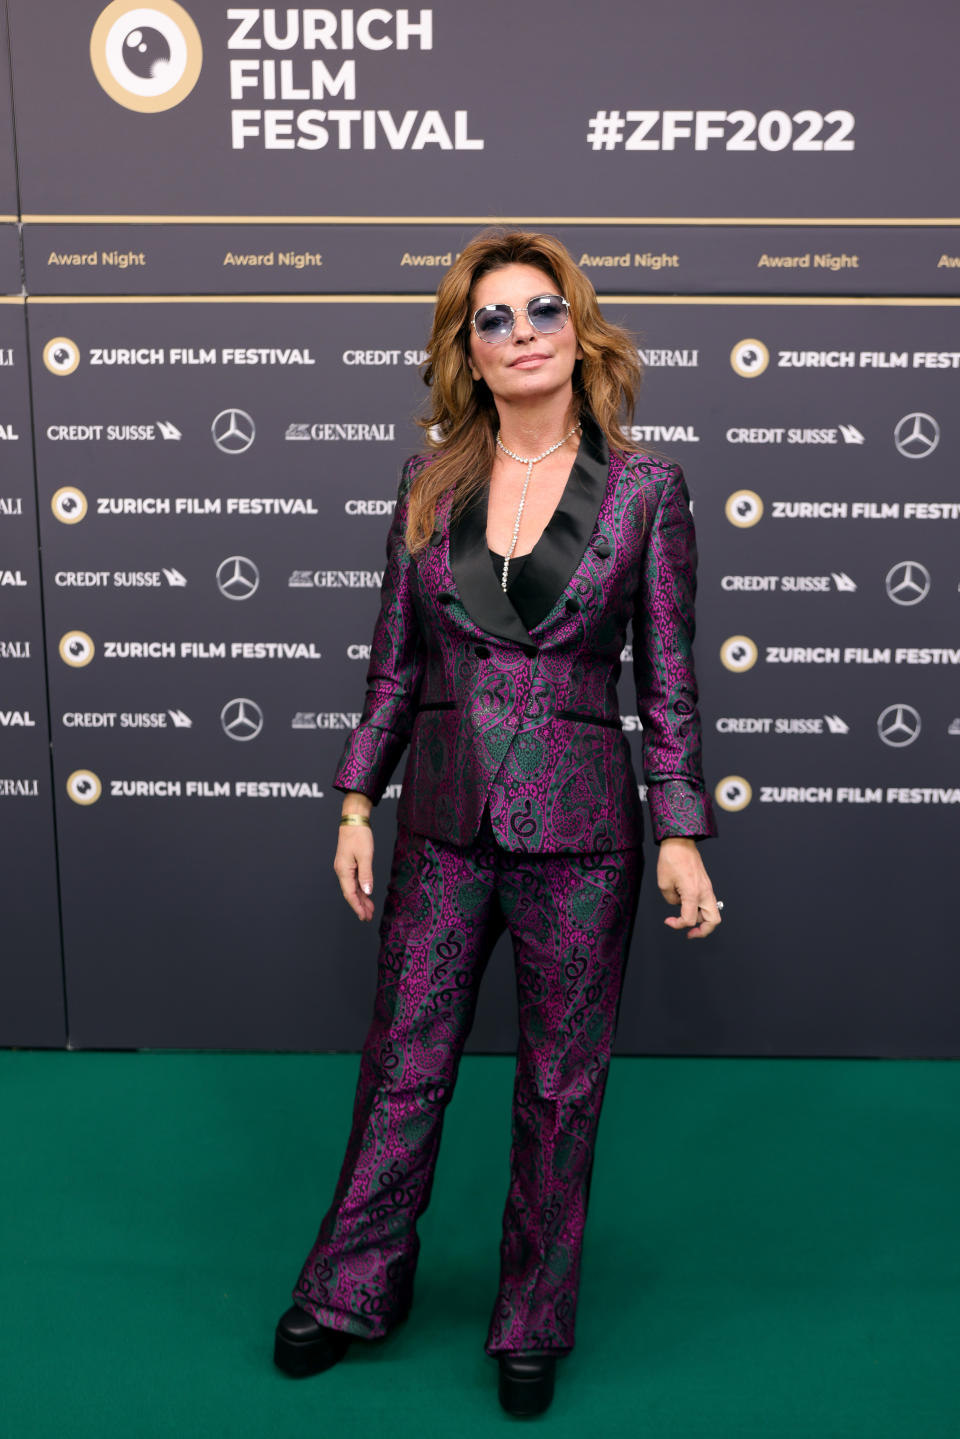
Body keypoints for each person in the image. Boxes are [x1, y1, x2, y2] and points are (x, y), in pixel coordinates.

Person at [273, 229, 721, 1417]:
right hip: (443, 822)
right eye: (493, 320)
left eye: (541, 311)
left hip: (583, 836)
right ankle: (355, 1280)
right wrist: (359, 799)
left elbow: (667, 680)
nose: (520, 334)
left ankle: (533, 1311)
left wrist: (677, 826)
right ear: (466, 353)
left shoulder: (646, 491)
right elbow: (389, 667)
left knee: (561, 1084)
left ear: (579, 330)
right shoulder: (428, 489)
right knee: (401, 1068)